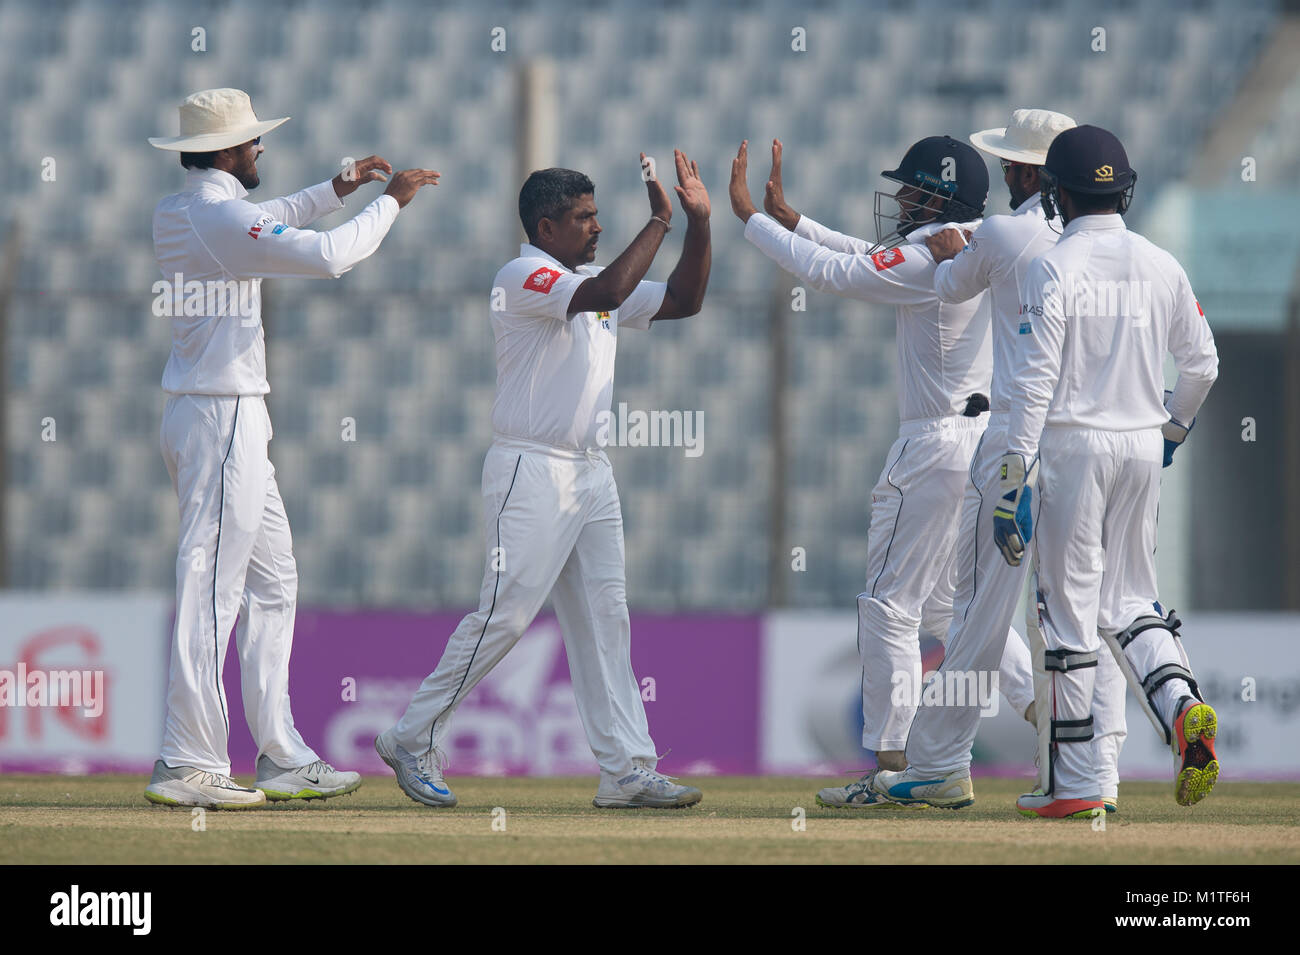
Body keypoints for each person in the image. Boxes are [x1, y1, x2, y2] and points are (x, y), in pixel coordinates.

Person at [377, 151, 712, 809]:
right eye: (582, 217)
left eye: (595, 214)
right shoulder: (523, 274)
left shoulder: (589, 274)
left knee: (604, 617)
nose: (595, 226)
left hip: (591, 472)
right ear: (545, 225)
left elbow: (682, 300)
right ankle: (411, 736)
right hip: (530, 468)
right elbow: (610, 293)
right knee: (505, 616)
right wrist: (661, 222)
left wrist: (699, 223)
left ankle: (625, 770)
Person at [145, 88, 439, 809]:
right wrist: (390, 202)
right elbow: (331, 258)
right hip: (220, 418)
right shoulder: (216, 215)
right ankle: (189, 759)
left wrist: (336, 188)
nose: (259, 150)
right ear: (223, 153)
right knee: (212, 584)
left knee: (273, 581)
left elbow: (271, 219)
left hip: (222, 413)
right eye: (250, 142)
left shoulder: (186, 209)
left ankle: (280, 754)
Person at [731, 137, 1034, 809]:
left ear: (936, 195)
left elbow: (836, 275)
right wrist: (793, 220)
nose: (897, 199)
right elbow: (863, 258)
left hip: (931, 446)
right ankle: (1048, 715)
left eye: (910, 188)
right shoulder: (974, 240)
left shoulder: (928, 251)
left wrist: (748, 217)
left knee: (887, 604)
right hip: (981, 438)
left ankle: (896, 769)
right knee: (950, 606)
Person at [870, 109, 1122, 812]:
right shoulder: (1130, 254)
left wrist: (1013, 462)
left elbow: (950, 290)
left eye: (1012, 162)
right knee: (1086, 612)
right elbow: (1199, 361)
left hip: (1016, 440)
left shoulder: (1010, 232)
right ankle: (1095, 768)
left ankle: (938, 763)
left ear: (1024, 171)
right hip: (1100, 446)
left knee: (976, 612)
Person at [990, 125, 1218, 817]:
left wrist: (1012, 481)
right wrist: (1172, 432)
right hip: (1141, 445)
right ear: (1122, 189)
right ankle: (1182, 705)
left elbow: (1033, 384)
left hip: (1071, 447)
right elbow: (1203, 365)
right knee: (1131, 602)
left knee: (1066, 612)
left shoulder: (1050, 266)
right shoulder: (1161, 263)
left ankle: (1075, 784)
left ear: (1057, 193)